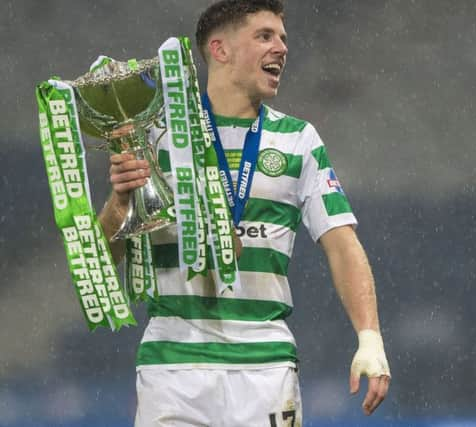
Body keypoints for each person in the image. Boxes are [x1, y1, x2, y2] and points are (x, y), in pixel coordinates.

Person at [99, 1, 390, 425]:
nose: (282, 48)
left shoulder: (298, 140)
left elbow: (343, 244)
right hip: (174, 368)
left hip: (265, 367)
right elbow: (101, 263)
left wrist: (370, 337)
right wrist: (119, 202)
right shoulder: (154, 136)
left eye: (283, 38)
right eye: (265, 36)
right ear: (220, 49)